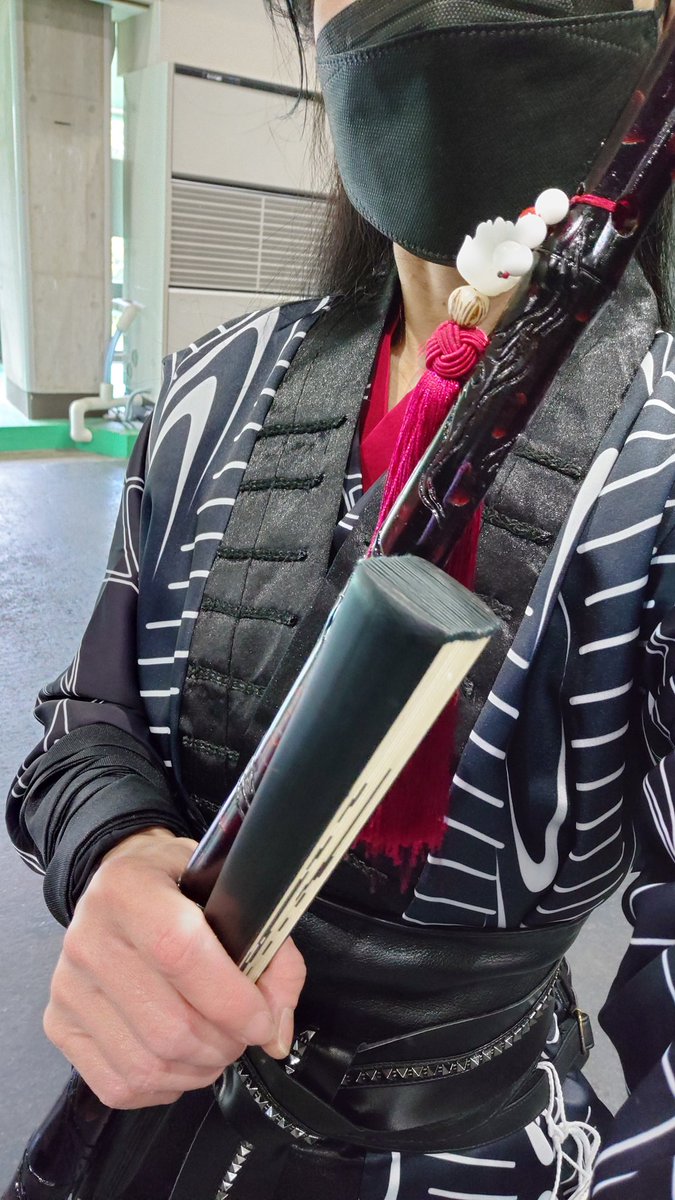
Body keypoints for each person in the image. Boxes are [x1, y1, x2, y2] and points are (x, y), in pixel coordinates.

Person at [5, 0, 675, 1196]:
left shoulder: (661, 458)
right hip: (146, 1139)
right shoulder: (213, 387)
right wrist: (112, 855)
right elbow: (87, 720)